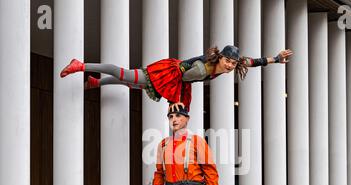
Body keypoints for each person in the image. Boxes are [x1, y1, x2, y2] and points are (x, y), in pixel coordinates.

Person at [60, 45, 293, 111]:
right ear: (221, 59)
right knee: (126, 74)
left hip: (175, 78)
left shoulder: (229, 65)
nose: (231, 66)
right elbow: (182, 78)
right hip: (170, 75)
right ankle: (80, 65)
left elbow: (250, 62)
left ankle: (96, 82)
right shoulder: (203, 69)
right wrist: (175, 100)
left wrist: (274, 58)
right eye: (228, 62)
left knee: (131, 83)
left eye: (233, 63)